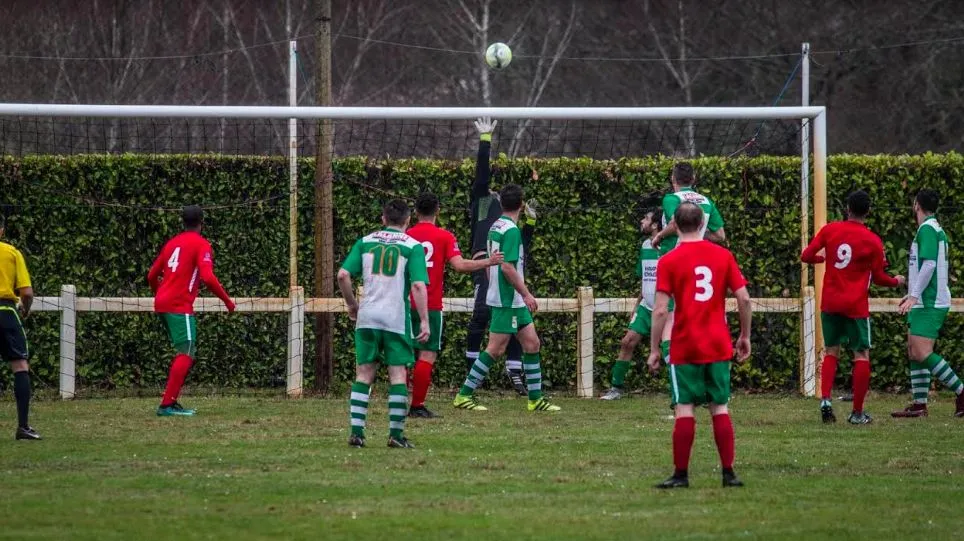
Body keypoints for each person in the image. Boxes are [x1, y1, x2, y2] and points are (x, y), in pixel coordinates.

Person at [647, 202, 752, 489]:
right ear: (703, 225)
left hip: (685, 343)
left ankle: (681, 474)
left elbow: (659, 310)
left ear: (676, 226)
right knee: (719, 407)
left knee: (685, 407)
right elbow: (743, 298)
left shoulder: (669, 261)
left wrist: (655, 349)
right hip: (717, 342)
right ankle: (728, 473)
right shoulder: (723, 255)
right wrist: (745, 335)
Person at [801, 190, 905, 425]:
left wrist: (822, 260)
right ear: (867, 212)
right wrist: (896, 281)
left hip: (830, 302)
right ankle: (857, 413)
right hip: (855, 306)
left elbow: (806, 255)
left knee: (831, 351)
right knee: (861, 354)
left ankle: (825, 399)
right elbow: (879, 278)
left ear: (847, 208)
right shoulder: (873, 240)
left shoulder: (830, 230)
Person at [453, 184, 560, 412]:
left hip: (510, 300)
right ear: (521, 205)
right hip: (508, 299)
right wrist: (526, 293)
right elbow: (508, 268)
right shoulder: (510, 231)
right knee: (495, 349)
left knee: (532, 344)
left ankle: (535, 399)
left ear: (501, 204)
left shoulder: (497, 225)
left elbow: (496, 265)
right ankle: (463, 395)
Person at [337, 199, 431, 448]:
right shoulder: (412, 246)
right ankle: (396, 436)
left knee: (364, 373)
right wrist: (424, 320)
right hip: (395, 318)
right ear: (408, 221)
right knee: (398, 374)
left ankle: (357, 433)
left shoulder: (365, 241)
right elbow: (418, 285)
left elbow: (343, 275)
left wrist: (351, 305)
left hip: (367, 316)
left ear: (383, 219)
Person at [406, 192, 503, 418]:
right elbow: (459, 266)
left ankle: (399, 401)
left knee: (402, 354)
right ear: (437, 210)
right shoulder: (444, 236)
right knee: (427, 355)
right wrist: (488, 261)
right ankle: (417, 405)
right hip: (429, 304)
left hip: (403, 303)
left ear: (415, 212)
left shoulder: (406, 236)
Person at [465, 117, 536, 395]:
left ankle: (515, 371)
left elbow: (520, 248)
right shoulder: (483, 203)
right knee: (482, 313)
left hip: (508, 267)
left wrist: (530, 224)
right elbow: (482, 177)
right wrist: (485, 140)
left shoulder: (510, 222)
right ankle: (472, 374)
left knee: (519, 321)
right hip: (487, 264)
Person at [148, 205, 235, 416]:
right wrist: (227, 301)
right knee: (186, 351)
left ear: (183, 222)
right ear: (201, 223)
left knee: (183, 350)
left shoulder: (171, 244)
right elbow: (208, 277)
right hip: (179, 304)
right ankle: (166, 405)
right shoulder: (201, 244)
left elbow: (151, 275)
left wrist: (161, 294)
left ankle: (170, 402)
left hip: (162, 303)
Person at [893, 189, 964, 418]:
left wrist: (914, 295)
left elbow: (930, 265)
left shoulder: (927, 229)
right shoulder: (932, 228)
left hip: (930, 300)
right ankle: (919, 404)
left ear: (916, 205)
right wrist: (913, 294)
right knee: (914, 351)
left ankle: (962, 392)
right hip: (927, 299)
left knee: (922, 351)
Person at [600, 208, 669, 400]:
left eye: (646, 218)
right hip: (646, 307)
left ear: (656, 224)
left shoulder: (670, 247)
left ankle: (683, 393)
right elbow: (646, 280)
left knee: (670, 351)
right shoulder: (645, 245)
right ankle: (616, 388)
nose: (641, 221)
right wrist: (637, 305)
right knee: (627, 342)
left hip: (665, 309)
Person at [0, 215, 40, 440]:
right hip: (5, 312)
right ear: (2, 231)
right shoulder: (11, 253)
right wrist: (24, 309)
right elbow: (26, 292)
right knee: (20, 366)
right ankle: (23, 426)